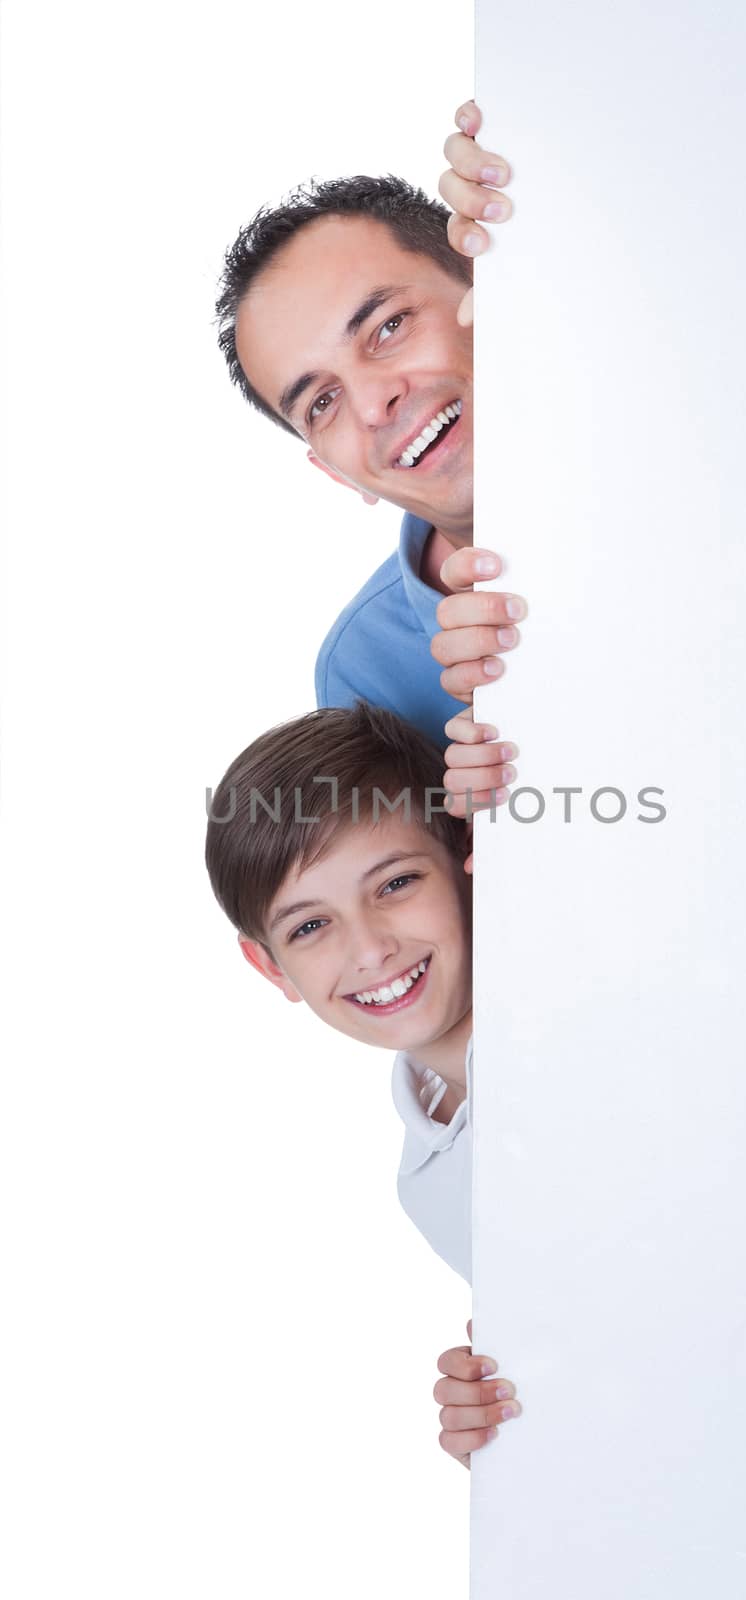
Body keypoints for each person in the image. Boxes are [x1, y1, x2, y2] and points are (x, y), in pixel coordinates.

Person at [205, 697, 522, 1467]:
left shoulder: (598, 1029)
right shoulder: (428, 1185)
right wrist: (504, 1425)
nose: (371, 949)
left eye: (395, 883)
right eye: (310, 927)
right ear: (270, 966)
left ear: (466, 856)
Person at [213, 101, 525, 807]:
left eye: (386, 328)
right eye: (320, 403)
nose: (374, 403)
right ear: (331, 470)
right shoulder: (362, 676)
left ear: (486, 290)